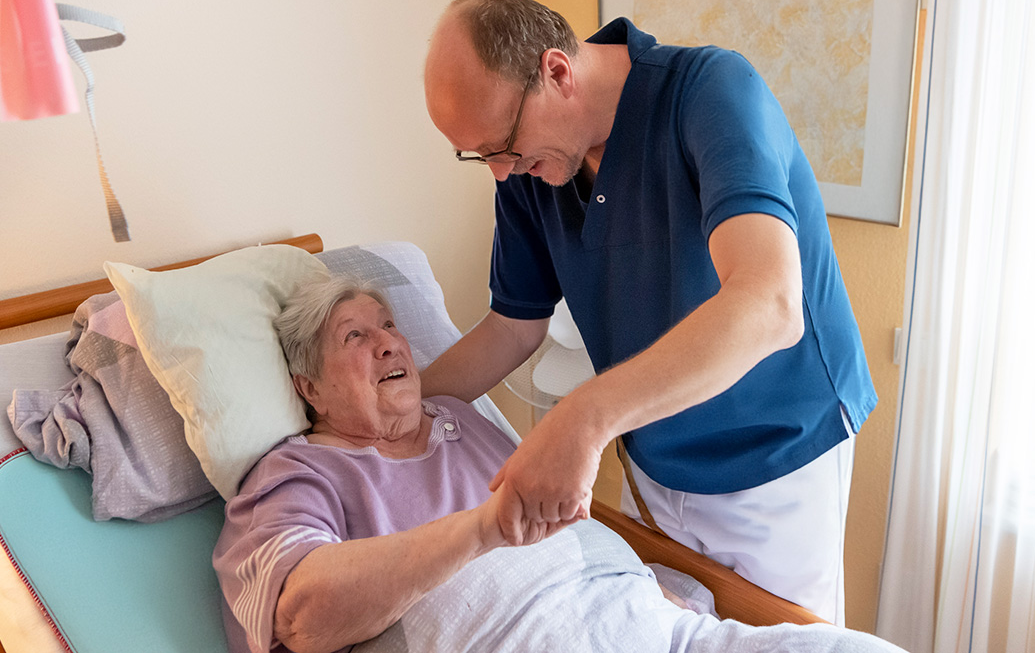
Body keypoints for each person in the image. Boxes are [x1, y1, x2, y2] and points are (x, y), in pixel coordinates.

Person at [420, 0, 878, 625]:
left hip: (774, 454)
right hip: (656, 455)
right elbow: (511, 327)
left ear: (557, 71)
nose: (500, 173)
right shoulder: (532, 171)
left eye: (502, 144)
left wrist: (584, 419)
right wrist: (400, 400)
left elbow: (770, 302)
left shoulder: (710, 93)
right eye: (479, 157)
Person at [212, 276, 903, 653]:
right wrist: (482, 530)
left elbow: (568, 538)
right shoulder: (296, 472)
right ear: (308, 388)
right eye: (354, 336)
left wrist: (632, 585)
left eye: (388, 325)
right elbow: (300, 614)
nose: (388, 344)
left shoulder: (461, 421)